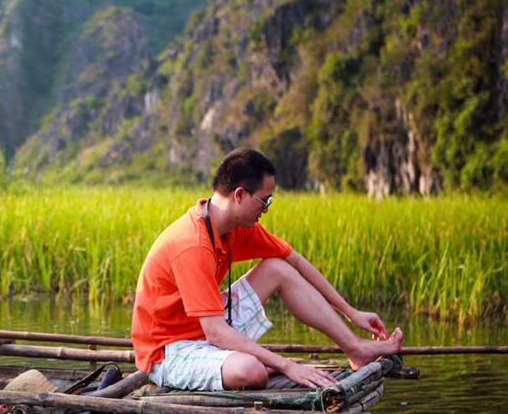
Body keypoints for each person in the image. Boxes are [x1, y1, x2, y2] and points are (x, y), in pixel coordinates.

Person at [131, 147, 403, 391]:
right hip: (169, 352)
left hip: (204, 328)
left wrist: (351, 312)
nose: (266, 209)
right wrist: (286, 365)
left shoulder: (235, 227)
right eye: (265, 200)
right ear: (240, 195)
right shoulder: (192, 244)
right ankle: (257, 361)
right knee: (251, 371)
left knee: (276, 268)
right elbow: (215, 331)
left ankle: (354, 348)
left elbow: (294, 260)